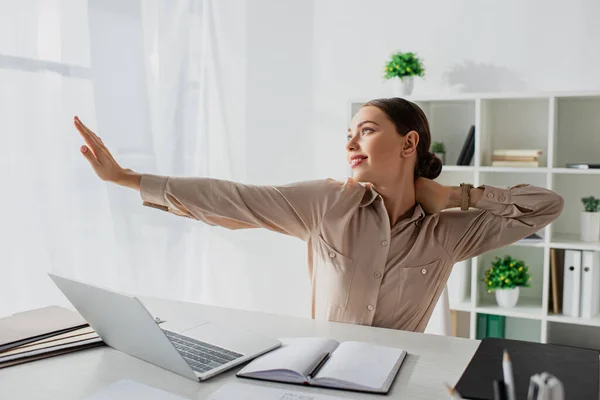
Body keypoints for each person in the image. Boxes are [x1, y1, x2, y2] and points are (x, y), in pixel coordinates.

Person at [73, 97, 564, 332]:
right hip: (322, 374)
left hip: (403, 378)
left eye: (366, 130)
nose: (350, 142)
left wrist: (456, 197)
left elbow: (546, 206)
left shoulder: (449, 232)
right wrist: (127, 179)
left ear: (408, 142)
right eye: (349, 132)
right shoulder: (329, 203)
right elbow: (233, 197)